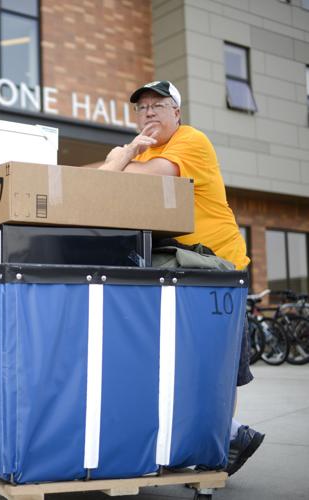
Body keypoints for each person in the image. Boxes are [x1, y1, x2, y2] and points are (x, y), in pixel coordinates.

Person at [97, 80, 263, 476]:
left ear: (177, 113)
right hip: (179, 269)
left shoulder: (191, 141)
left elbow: (142, 177)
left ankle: (218, 449)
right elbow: (103, 184)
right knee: (178, 360)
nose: (149, 112)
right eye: (142, 108)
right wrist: (124, 158)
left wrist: (122, 157)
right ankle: (225, 438)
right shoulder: (144, 151)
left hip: (218, 270)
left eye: (159, 105)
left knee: (215, 364)